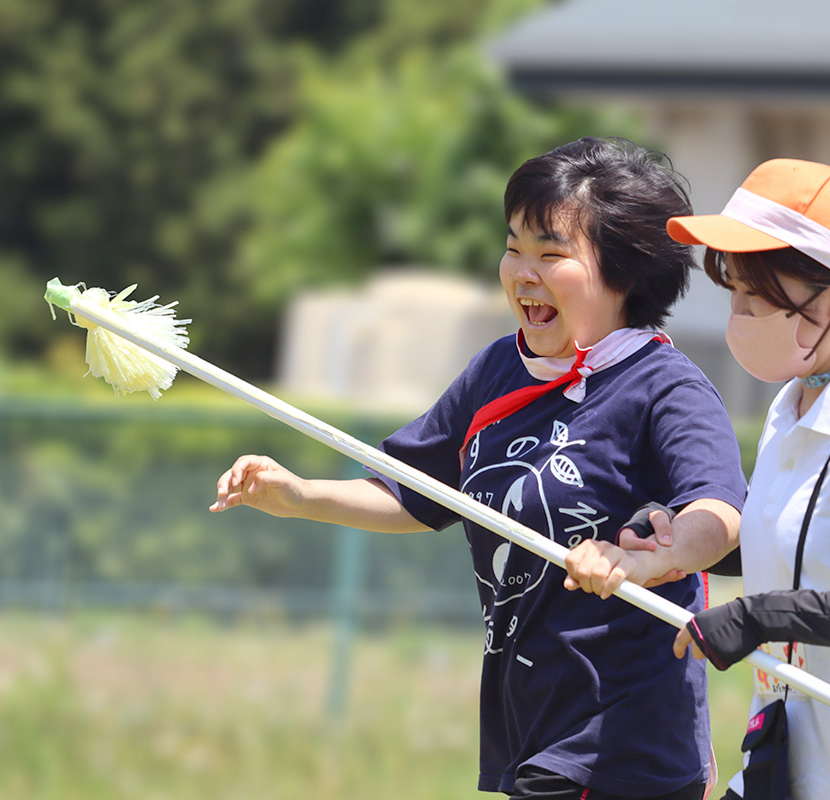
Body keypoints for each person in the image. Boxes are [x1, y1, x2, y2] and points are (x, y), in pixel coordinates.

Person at [210, 137, 747, 799]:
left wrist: (647, 560)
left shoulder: (665, 386)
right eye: (513, 247)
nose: (523, 273)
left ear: (626, 273)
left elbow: (720, 514)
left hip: (622, 738)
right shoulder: (498, 370)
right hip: (530, 724)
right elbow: (416, 493)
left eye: (551, 254)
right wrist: (298, 495)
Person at [572, 158, 830, 799]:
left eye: (758, 296)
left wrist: (759, 618)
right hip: (788, 765)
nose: (739, 313)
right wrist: (672, 540)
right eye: (735, 291)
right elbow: (793, 546)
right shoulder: (791, 405)